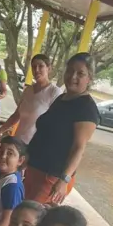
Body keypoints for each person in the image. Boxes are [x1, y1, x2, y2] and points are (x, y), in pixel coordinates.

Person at [25, 52, 100, 204]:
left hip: (51, 177)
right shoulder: (61, 99)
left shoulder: (87, 108)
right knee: (19, 210)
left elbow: (79, 148)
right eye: (70, 71)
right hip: (34, 168)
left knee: (31, 214)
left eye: (80, 73)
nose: (73, 76)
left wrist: (64, 179)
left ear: (89, 78)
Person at [0, 53, 62, 146]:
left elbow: (55, 125)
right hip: (18, 142)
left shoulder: (54, 92)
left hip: (35, 146)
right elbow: (16, 116)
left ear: (49, 68)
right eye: (34, 67)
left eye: (41, 66)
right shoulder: (28, 90)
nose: (36, 70)